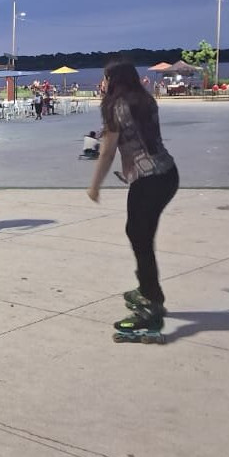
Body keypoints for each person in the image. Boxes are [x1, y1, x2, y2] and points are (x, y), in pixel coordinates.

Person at [87, 60, 178, 340]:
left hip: (147, 179)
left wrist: (94, 186)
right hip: (168, 175)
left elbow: (107, 152)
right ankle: (149, 290)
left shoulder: (116, 107)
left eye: (105, 78)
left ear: (115, 81)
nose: (103, 83)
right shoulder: (145, 100)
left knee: (140, 238)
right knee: (140, 234)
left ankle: (151, 307)